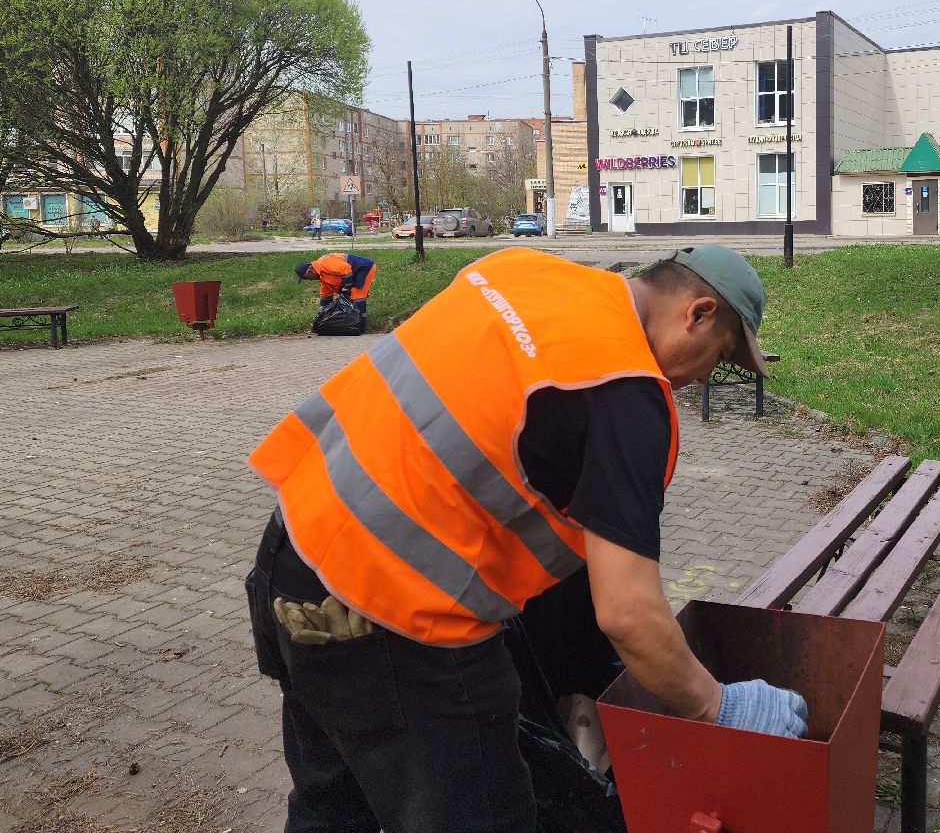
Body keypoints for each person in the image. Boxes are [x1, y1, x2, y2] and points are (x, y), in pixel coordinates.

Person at [245, 246, 807, 833]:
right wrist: (716, 705)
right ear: (698, 312)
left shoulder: (522, 270)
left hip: (293, 564)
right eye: (720, 355)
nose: (705, 377)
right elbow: (628, 614)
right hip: (400, 623)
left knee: (332, 807)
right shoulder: (627, 392)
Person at [294, 252, 377, 316]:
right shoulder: (322, 277)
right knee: (350, 297)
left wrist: (347, 287)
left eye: (307, 278)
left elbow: (346, 269)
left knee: (357, 296)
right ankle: (353, 320)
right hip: (352, 272)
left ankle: (360, 324)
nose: (311, 280)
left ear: (310, 271)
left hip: (363, 268)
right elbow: (325, 298)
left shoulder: (324, 263)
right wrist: (321, 314)